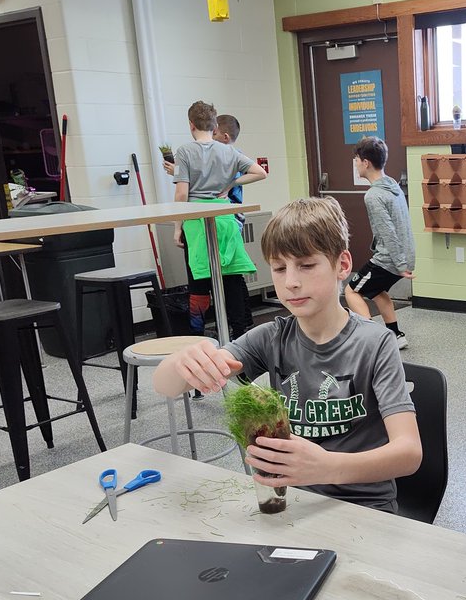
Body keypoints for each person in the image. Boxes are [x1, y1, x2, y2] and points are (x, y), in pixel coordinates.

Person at [154, 197, 422, 513]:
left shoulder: (376, 343)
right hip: (293, 502)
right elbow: (165, 386)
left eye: (306, 265)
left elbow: (409, 453)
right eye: (279, 269)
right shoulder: (273, 336)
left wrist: (327, 466)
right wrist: (183, 362)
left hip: (365, 506)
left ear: (342, 265)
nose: (291, 282)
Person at [171, 101, 267, 338]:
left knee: (198, 280)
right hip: (225, 218)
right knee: (232, 277)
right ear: (214, 126)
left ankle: (197, 332)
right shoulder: (230, 151)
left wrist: (176, 227)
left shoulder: (184, 152)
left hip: (196, 220)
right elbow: (260, 172)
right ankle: (239, 332)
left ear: (191, 125)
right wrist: (231, 182)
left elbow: (182, 193)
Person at [343, 136, 415, 350]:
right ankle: (395, 334)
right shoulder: (392, 185)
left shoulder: (373, 195)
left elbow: (389, 232)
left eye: (356, 160)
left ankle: (371, 339)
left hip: (390, 259)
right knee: (377, 291)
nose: (355, 164)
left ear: (365, 162)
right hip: (404, 255)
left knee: (352, 290)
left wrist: (401, 265)